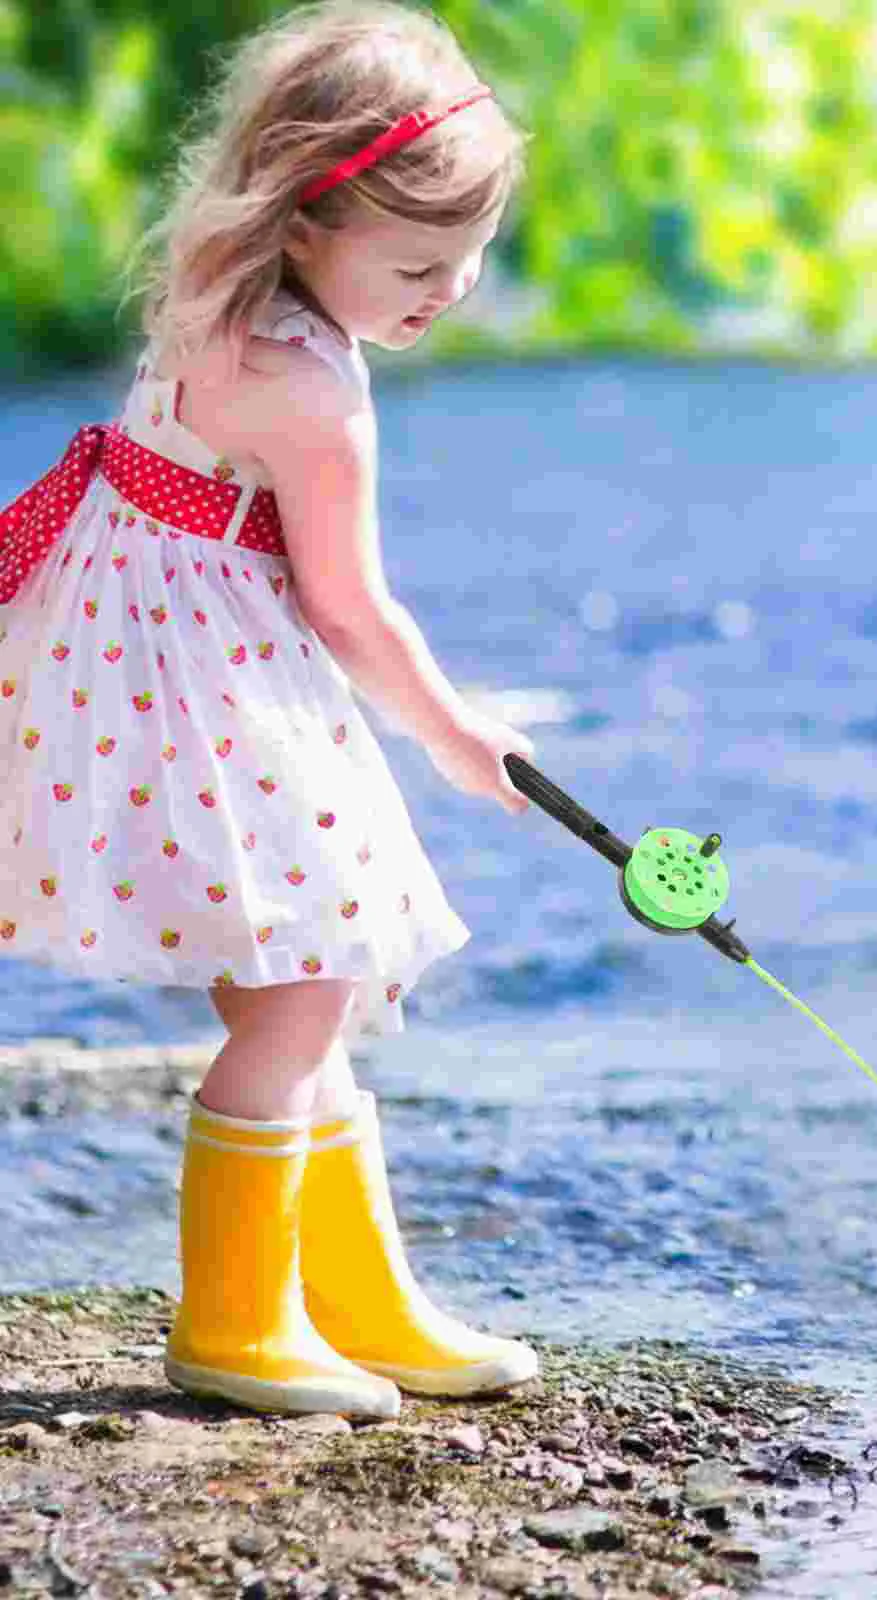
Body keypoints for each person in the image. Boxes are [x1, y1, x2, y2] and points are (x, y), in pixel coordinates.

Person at [0, 0, 546, 1420]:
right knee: (306, 986)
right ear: (305, 220)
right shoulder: (308, 388)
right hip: (208, 671)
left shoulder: (217, 292)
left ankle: (358, 1300)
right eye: (421, 261)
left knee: (299, 981)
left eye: (473, 256)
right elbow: (355, 610)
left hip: (137, 647)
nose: (454, 289)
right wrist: (457, 732)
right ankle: (239, 1323)